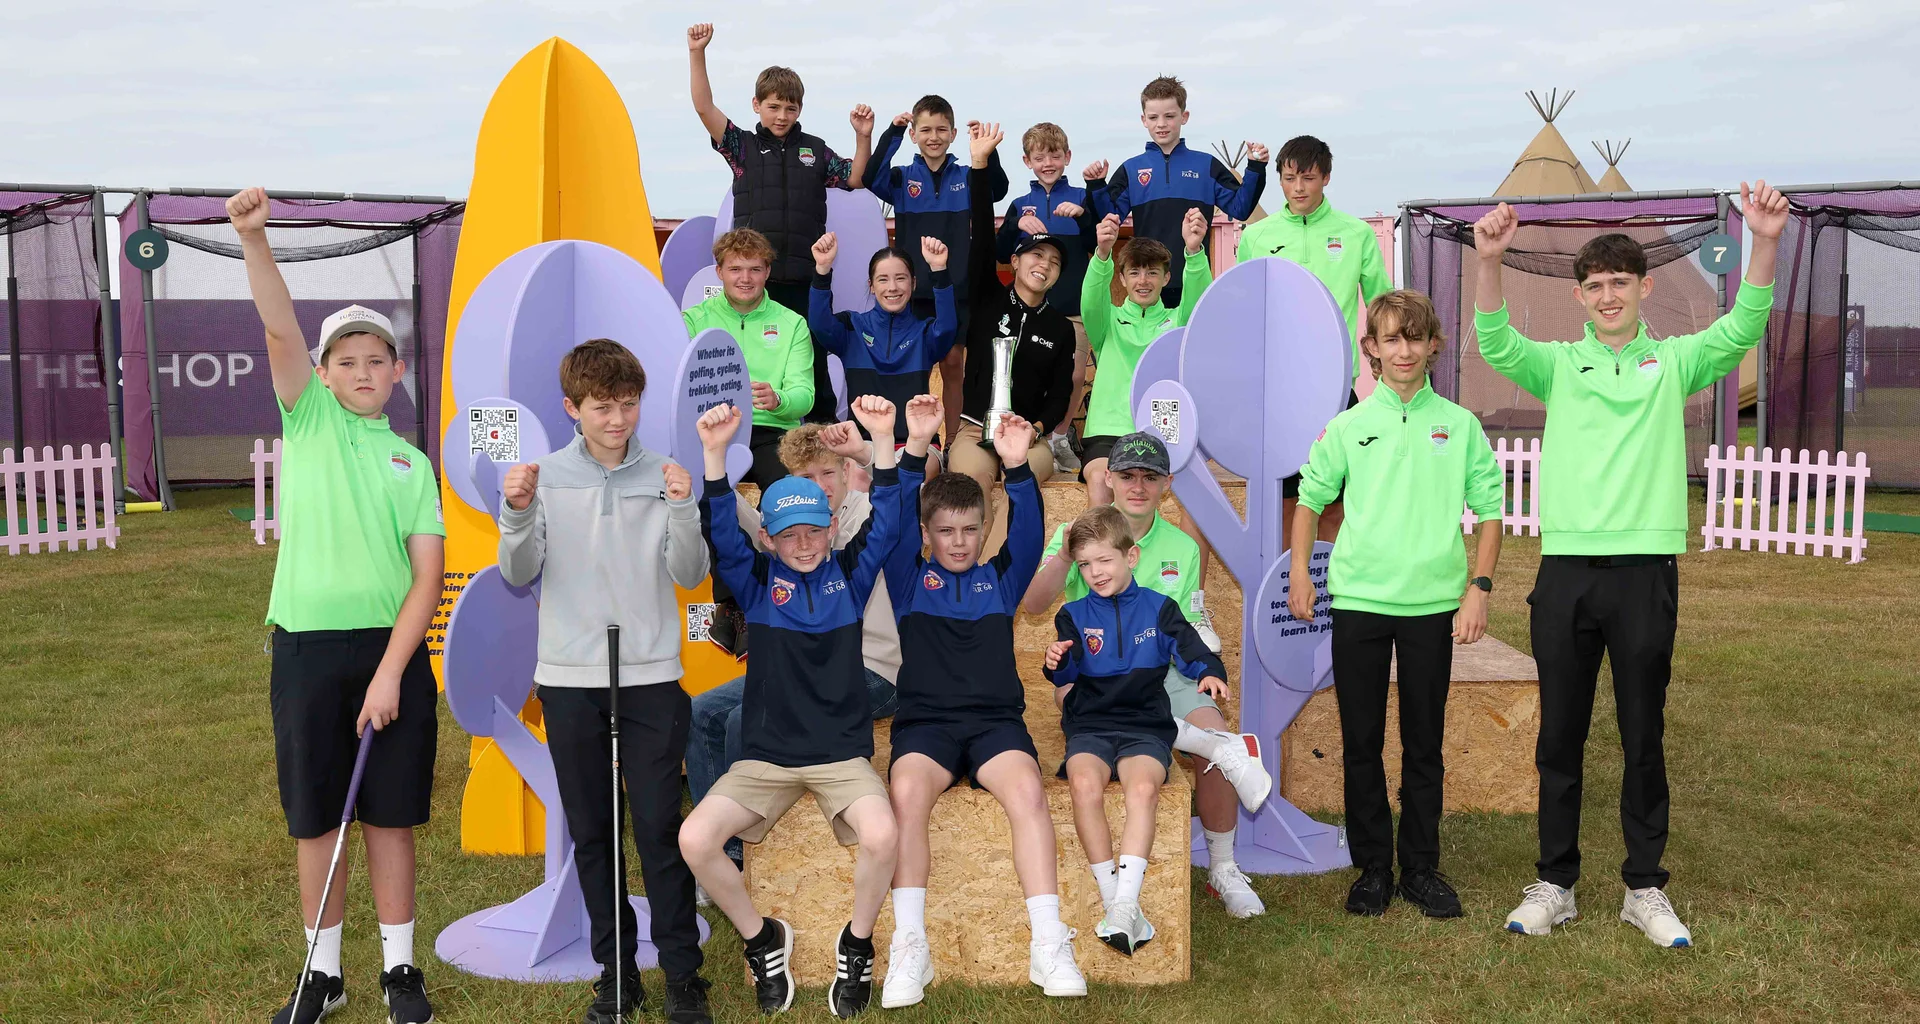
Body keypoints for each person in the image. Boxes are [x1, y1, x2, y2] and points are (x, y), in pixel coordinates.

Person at [1472, 182, 1790, 947]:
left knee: (1643, 733)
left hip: (1646, 572)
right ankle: (1556, 883)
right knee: (1561, 738)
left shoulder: (1675, 361)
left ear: (1644, 288)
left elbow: (1744, 323)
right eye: (1595, 286)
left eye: (1620, 283)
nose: (1608, 296)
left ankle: (1644, 888)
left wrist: (1766, 241)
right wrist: (1489, 261)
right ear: (1579, 297)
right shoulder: (1557, 367)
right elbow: (1493, 341)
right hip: (1568, 574)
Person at [229, 186, 442, 1024]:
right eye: (345, 361)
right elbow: (279, 324)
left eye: (376, 359)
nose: (361, 372)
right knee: (319, 820)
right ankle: (322, 973)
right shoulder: (307, 419)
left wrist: (390, 674)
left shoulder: (410, 463)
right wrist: (254, 241)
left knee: (390, 819)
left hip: (389, 657)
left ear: (396, 371)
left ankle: (398, 970)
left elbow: (425, 577)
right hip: (308, 650)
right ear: (320, 374)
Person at [493, 340, 714, 1024]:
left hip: (650, 675)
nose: (617, 419)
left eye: (627, 405)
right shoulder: (544, 476)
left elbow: (688, 573)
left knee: (657, 827)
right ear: (572, 409)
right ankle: (617, 975)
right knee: (593, 832)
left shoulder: (666, 474)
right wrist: (518, 511)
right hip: (569, 677)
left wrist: (682, 506)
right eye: (601, 407)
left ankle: (683, 976)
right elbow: (516, 571)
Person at [681, 396, 904, 1018]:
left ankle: (856, 946)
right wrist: (714, 456)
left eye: (813, 531)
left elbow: (887, 520)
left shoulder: (850, 579)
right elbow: (722, 528)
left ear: (831, 530)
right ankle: (762, 939)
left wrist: (882, 442)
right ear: (771, 541)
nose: (803, 544)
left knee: (884, 834)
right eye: (789, 534)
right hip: (767, 760)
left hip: (839, 757)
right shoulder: (756, 586)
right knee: (695, 839)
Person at [1286, 291, 1504, 922]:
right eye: (1390, 339)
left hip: (1433, 605)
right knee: (1361, 740)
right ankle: (1373, 868)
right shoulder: (1351, 426)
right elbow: (1309, 498)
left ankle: (1422, 868)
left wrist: (1478, 588)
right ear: (1372, 350)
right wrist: (1302, 571)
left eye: (1415, 338)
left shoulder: (1459, 425)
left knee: (1423, 743)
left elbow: (1489, 512)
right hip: (1358, 601)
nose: (1403, 350)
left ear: (1432, 345)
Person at [877, 396, 1086, 1007]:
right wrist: (913, 450)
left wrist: (1018, 467)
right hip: (926, 726)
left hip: (995, 725)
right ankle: (910, 947)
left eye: (971, 529)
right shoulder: (911, 579)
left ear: (983, 527)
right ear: (928, 534)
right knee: (907, 796)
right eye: (946, 531)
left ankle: (1048, 943)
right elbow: (889, 518)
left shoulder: (1000, 578)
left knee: (1027, 792)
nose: (960, 542)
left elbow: (1028, 529)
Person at [1023, 431, 1273, 919]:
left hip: (1162, 668)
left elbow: (1184, 630)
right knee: (1068, 695)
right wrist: (1066, 546)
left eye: (1150, 476)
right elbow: (1033, 604)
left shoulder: (1183, 546)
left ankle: (1222, 867)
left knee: (1215, 728)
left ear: (1167, 484)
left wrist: (1205, 672)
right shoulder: (1078, 532)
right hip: (1095, 672)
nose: (1138, 486)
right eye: (1127, 475)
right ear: (1108, 478)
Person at [1044, 506, 1230, 957]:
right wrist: (1056, 661)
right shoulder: (1072, 614)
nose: (1094, 572)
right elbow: (1064, 671)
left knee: (1143, 788)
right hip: (1090, 723)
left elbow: (1191, 649)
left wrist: (1209, 670)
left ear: (1131, 557)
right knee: (1084, 783)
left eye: (1103, 561)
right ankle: (1118, 904)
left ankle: (1126, 901)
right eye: (1085, 564)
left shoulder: (1160, 608)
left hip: (1145, 723)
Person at [688, 22, 873, 423]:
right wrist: (697, 52)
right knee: (750, 356)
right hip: (758, 278)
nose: (782, 115)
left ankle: (824, 432)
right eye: (773, 106)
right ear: (756, 105)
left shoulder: (816, 150)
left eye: (790, 108)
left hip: (806, 278)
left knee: (814, 354)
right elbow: (704, 107)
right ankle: (744, 426)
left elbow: (856, 178)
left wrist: (863, 138)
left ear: (800, 109)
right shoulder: (742, 146)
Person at [1078, 207, 1225, 650]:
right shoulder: (1107, 324)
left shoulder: (1176, 320)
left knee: (1197, 496)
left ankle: (1194, 606)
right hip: (1110, 428)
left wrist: (1195, 251)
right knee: (1100, 488)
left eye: (1153, 272)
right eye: (1134, 271)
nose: (1143, 280)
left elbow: (1200, 304)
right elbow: (1089, 301)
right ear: (1122, 278)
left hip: (1166, 431)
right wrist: (1102, 254)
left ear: (1165, 277)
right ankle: (1096, 596)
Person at [1237, 135, 1392, 544]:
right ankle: (1285, 596)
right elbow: (1244, 310)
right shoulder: (1256, 236)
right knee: (1286, 502)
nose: (1299, 188)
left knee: (1336, 502)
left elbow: (1382, 308)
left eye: (1308, 177)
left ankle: (1329, 594)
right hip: (1279, 395)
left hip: (1337, 392)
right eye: (1289, 179)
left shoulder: (1357, 234)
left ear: (1326, 176)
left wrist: (1387, 370)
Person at [865, 95, 1011, 443]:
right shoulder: (901, 179)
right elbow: (871, 177)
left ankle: (954, 442)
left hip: (955, 290)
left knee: (952, 366)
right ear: (915, 133)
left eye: (942, 130)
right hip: (911, 294)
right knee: (911, 369)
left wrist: (986, 152)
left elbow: (999, 189)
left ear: (954, 133)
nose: (934, 137)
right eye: (925, 129)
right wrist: (892, 133)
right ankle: (910, 441)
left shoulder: (966, 175)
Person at [950, 122, 1080, 497]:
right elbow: (981, 243)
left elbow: (1058, 395)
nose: (1045, 264)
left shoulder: (1060, 327)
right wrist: (978, 165)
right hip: (975, 429)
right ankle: (982, 559)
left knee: (1021, 486)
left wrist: (1036, 429)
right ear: (1016, 261)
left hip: (1028, 436)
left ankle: (1010, 559)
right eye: (1036, 255)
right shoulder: (988, 297)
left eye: (1054, 262)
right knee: (972, 488)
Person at [1084, 74, 1265, 309]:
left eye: (1169, 116)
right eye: (1153, 117)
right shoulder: (1131, 169)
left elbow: (1241, 207)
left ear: (1184, 116)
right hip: (1148, 285)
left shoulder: (1206, 166)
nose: (1161, 124)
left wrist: (1255, 167)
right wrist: (1096, 185)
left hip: (1193, 281)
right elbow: (1108, 216)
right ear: (1143, 120)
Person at [997, 122, 1100, 473]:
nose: (1048, 163)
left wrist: (1084, 217)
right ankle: (1021, 436)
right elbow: (1000, 252)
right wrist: (1014, 227)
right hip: (1031, 311)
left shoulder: (1082, 198)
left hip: (1072, 308)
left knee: (1073, 376)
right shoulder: (1019, 204)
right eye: (1039, 157)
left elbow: (1094, 245)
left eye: (1055, 155)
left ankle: (1058, 435)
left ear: (1067, 157)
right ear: (1027, 161)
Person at [807, 233, 958, 472]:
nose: (892, 288)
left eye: (901, 279)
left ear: (914, 283)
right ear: (871, 285)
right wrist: (822, 270)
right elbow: (819, 324)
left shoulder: (925, 333)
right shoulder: (852, 327)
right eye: (883, 280)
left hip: (916, 444)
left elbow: (948, 327)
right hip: (862, 445)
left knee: (915, 476)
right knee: (855, 479)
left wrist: (939, 270)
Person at [682, 228, 815, 489]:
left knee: (788, 496)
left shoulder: (793, 324)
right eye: (735, 269)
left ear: (767, 272)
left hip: (772, 433)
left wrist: (778, 400)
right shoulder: (692, 322)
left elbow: (805, 395)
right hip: (708, 429)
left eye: (755, 269)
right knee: (695, 496)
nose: (745, 278)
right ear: (719, 272)